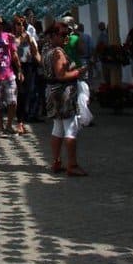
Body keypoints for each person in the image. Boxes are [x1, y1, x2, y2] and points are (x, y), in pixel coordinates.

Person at [42, 21, 88, 176]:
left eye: (67, 34)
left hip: (51, 91)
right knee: (70, 128)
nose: (66, 37)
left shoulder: (46, 49)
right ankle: (72, 164)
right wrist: (78, 72)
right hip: (63, 93)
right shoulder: (58, 52)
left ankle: (56, 161)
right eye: (62, 34)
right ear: (53, 35)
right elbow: (61, 75)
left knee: (58, 127)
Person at [13, 15, 39, 135]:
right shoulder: (13, 38)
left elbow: (35, 52)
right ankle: (19, 122)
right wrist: (18, 69)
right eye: (19, 24)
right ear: (15, 25)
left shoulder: (29, 37)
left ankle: (22, 120)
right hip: (17, 68)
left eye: (23, 24)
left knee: (28, 93)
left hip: (28, 67)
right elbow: (13, 55)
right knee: (20, 94)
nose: (21, 27)